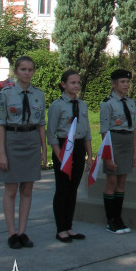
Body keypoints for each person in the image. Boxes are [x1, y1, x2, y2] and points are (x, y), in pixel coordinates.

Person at [0, 55, 47, 249]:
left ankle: (23, 231)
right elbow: (0, 124)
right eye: (23, 69)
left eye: (30, 70)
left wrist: (43, 150)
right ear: (16, 71)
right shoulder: (6, 94)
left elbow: (41, 123)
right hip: (12, 140)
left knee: (27, 189)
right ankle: (12, 233)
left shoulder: (38, 94)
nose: (27, 73)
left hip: (31, 141)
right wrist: (2, 153)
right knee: (11, 189)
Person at [47, 70, 93, 243]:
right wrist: (60, 156)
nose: (76, 86)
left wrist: (90, 153)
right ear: (63, 84)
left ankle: (69, 226)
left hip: (79, 146)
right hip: (63, 147)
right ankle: (60, 229)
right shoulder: (57, 106)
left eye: (78, 83)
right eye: (72, 83)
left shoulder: (82, 105)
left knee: (73, 188)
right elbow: (51, 134)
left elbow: (87, 130)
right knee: (62, 189)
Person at [100, 68, 136, 234]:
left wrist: (134, 152)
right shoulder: (107, 104)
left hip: (127, 142)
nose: (126, 85)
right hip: (113, 142)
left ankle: (118, 218)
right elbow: (104, 131)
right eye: (122, 82)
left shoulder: (130, 102)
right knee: (112, 182)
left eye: (127, 82)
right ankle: (111, 220)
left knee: (122, 182)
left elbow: (133, 129)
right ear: (114, 84)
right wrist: (107, 156)